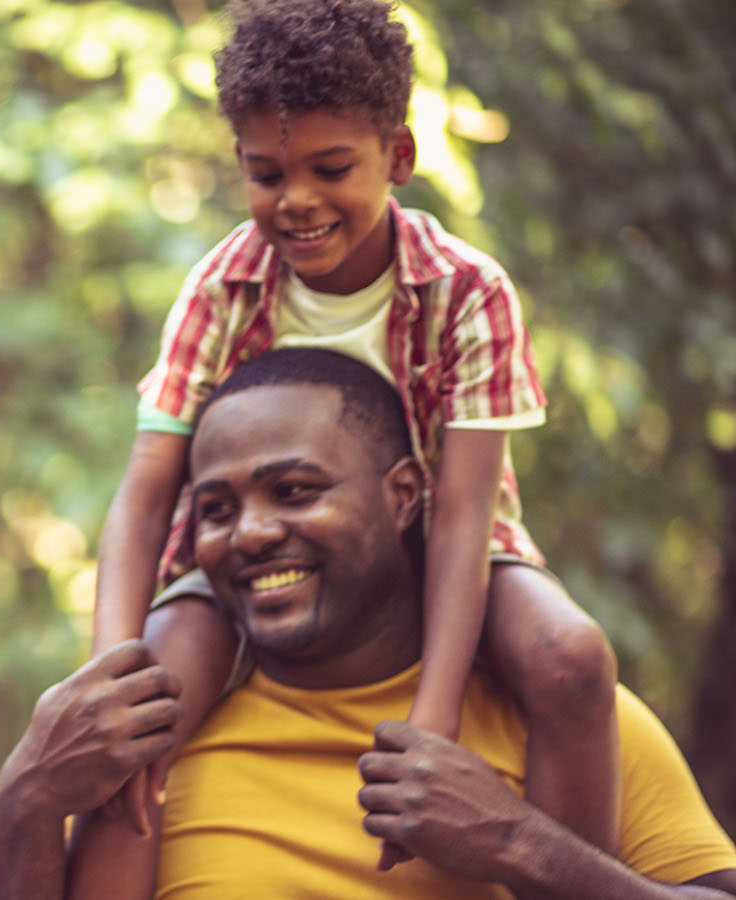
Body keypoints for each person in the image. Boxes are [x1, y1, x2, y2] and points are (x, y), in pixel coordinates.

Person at [94, 0, 617, 859]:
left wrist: (433, 722)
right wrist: (106, 681)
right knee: (135, 719)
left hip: (447, 547)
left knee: (571, 658)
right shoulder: (222, 288)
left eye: (331, 168)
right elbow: (146, 493)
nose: (297, 201)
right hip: (261, 553)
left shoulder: (467, 291)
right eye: (267, 175)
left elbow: (462, 512)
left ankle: (568, 876)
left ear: (398, 156)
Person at [62, 348, 736, 898]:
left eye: (294, 491)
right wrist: (24, 795)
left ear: (405, 496)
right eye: (215, 509)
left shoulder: (564, 717)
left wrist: (518, 843)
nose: (253, 533)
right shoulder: (152, 760)